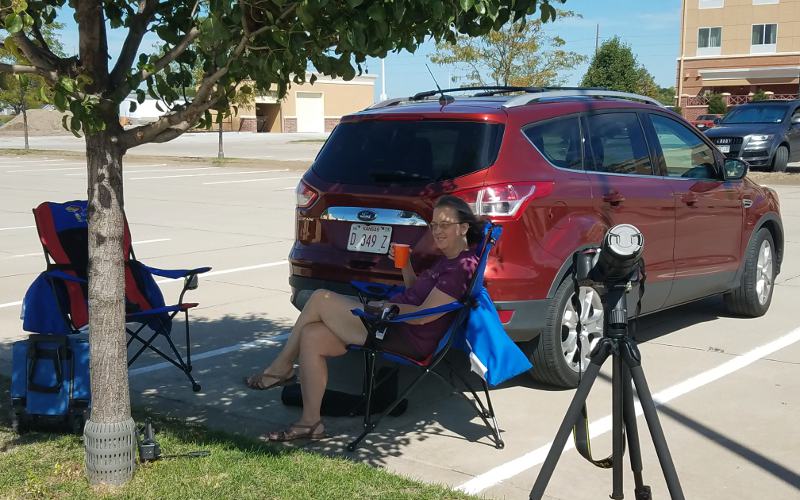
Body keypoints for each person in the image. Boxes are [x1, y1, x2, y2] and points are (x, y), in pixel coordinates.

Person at [245, 195, 481, 441]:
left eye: (445, 225)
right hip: (394, 323)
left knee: (320, 298)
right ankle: (311, 424)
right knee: (311, 335)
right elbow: (415, 296)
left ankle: (281, 368)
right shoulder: (448, 260)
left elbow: (424, 316)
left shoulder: (460, 268)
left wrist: (386, 308)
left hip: (404, 334)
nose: (437, 231)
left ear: (463, 227)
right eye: (434, 225)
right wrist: (405, 267)